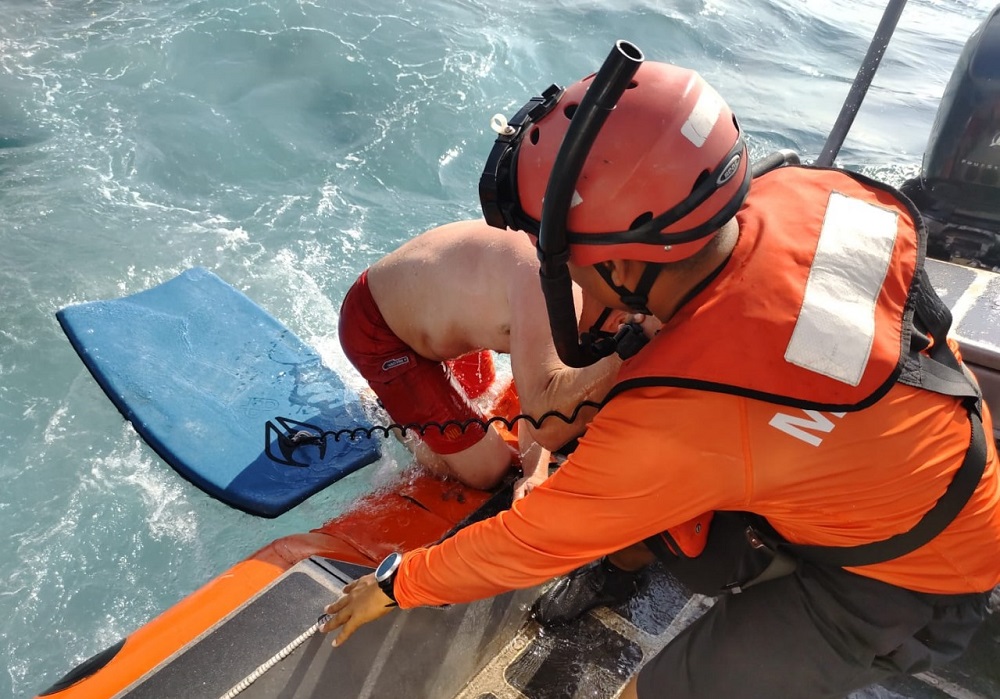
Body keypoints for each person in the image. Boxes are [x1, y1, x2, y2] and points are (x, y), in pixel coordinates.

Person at [322, 56, 1000, 699]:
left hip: (912, 581)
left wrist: (397, 582)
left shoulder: (680, 411)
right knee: (631, 480)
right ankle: (625, 568)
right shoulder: (802, 192)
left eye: (560, 252)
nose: (547, 263)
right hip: (934, 457)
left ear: (625, 264)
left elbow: (531, 539)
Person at [338, 217, 626, 498]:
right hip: (379, 329)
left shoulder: (574, 264)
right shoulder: (556, 297)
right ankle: (384, 406)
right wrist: (534, 473)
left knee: (483, 392)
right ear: (618, 320)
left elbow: (538, 393)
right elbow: (543, 412)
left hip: (432, 304)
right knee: (489, 470)